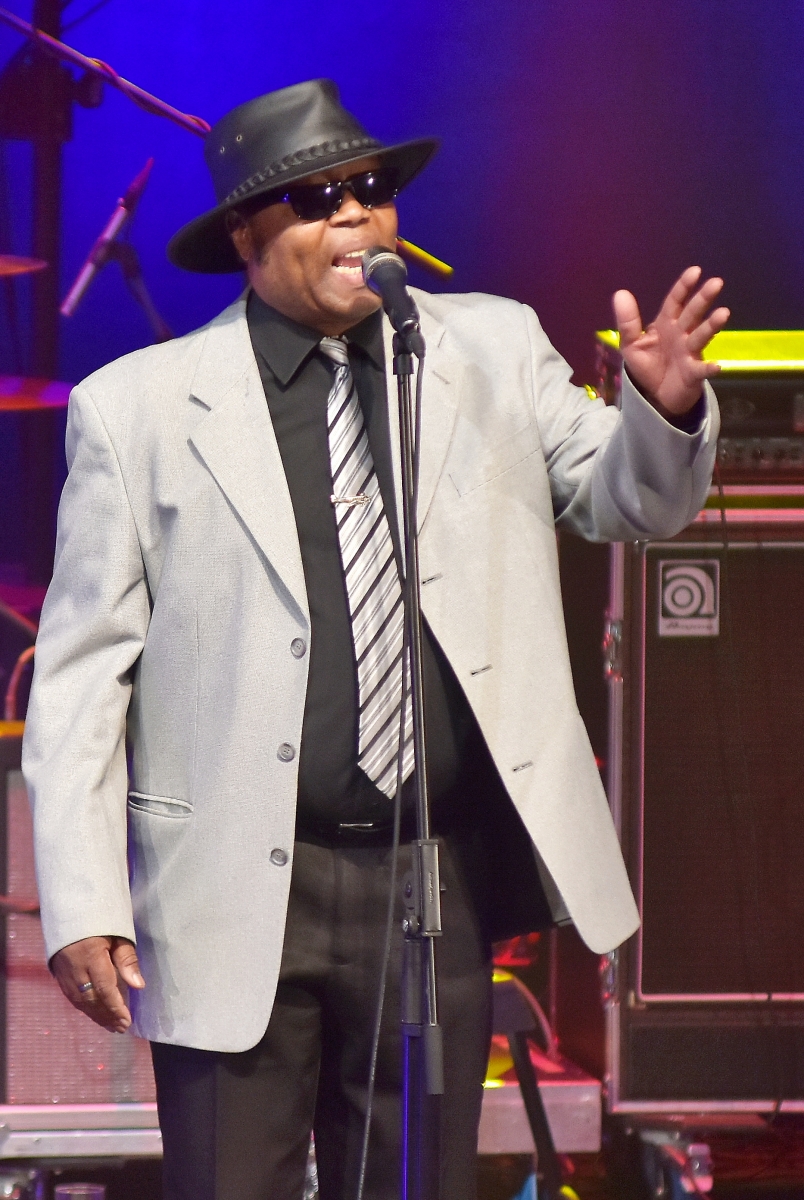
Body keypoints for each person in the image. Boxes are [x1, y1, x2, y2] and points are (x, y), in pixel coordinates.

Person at [22, 79, 727, 1200]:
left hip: (431, 879)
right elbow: (78, 681)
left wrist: (664, 414)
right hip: (234, 885)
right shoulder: (138, 409)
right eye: (315, 198)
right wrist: (85, 903)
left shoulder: (492, 348)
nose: (355, 213)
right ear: (246, 236)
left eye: (371, 188)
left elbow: (628, 500)